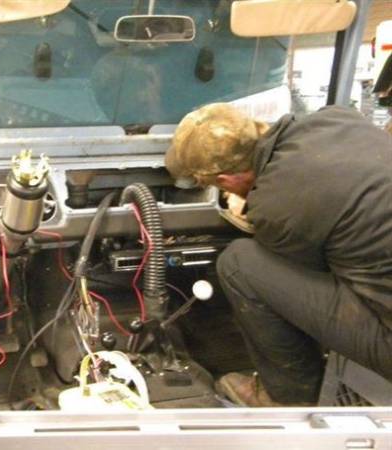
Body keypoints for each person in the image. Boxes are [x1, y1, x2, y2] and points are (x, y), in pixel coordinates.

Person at [165, 103, 392, 406]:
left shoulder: (274, 208)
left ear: (226, 181)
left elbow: (305, 275)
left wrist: (254, 205)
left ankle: (290, 397)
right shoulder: (336, 118)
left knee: (238, 264)